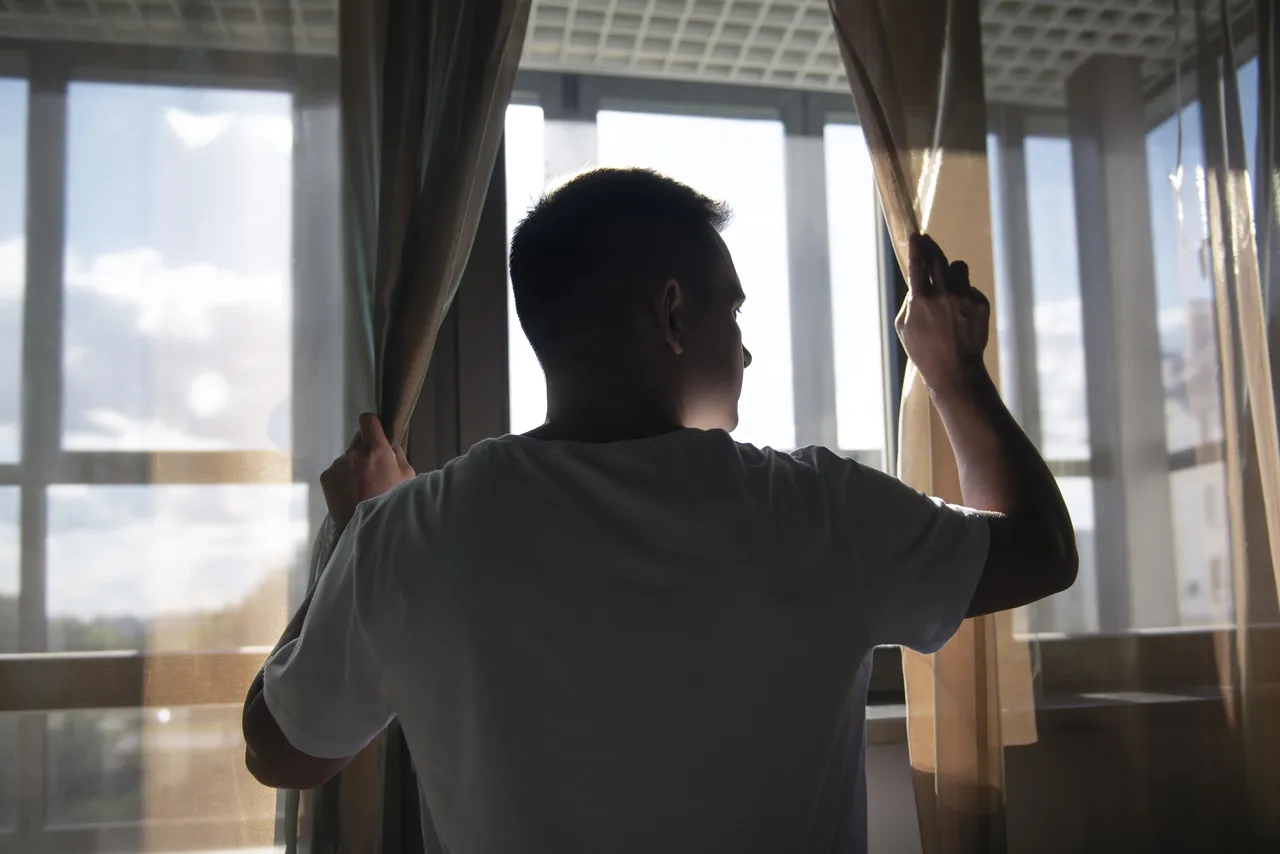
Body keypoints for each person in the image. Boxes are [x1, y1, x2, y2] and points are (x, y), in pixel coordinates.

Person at [242, 168, 1077, 853]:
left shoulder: (412, 533)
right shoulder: (820, 511)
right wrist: (953, 372)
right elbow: (1042, 548)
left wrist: (353, 533)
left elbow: (279, 750)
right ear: (672, 314)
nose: (746, 348)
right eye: (735, 310)